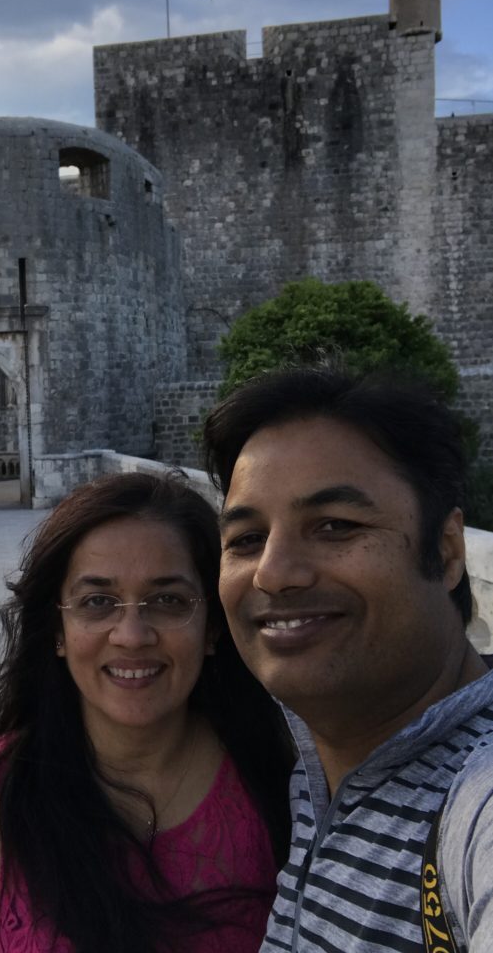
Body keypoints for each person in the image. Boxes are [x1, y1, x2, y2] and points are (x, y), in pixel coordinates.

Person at [0, 472, 292, 953]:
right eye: (98, 602)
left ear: (212, 626)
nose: (131, 635)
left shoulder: (280, 781)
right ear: (58, 630)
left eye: (168, 600)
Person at [202, 365, 493, 953]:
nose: (273, 573)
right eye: (247, 539)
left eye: (335, 526)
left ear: (448, 549)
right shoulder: (309, 755)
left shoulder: (477, 804)